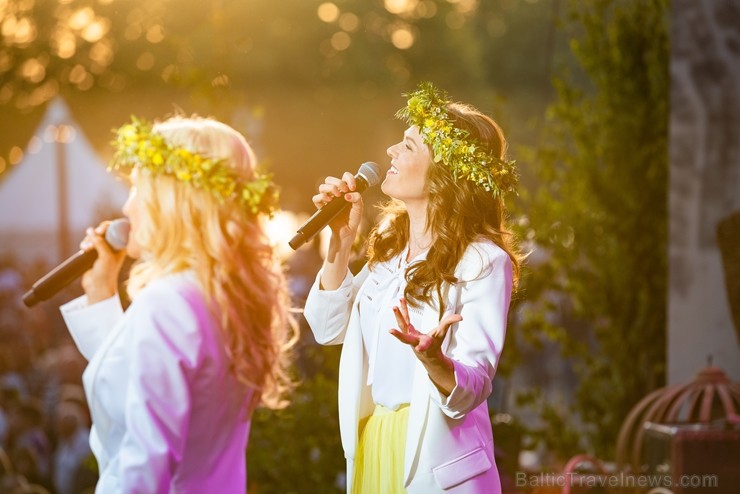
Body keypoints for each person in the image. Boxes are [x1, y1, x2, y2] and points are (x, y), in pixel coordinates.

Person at [303, 82, 522, 494]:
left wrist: (436, 361)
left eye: (407, 145)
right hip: (375, 447)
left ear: (444, 173)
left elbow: (471, 388)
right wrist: (340, 242)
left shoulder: (483, 261)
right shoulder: (388, 252)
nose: (391, 152)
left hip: (437, 464)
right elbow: (326, 328)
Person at [59, 116, 296, 493]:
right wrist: (102, 292)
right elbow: (135, 386)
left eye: (138, 188)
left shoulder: (168, 302)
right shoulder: (223, 296)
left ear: (174, 200)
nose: (127, 205)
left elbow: (145, 465)